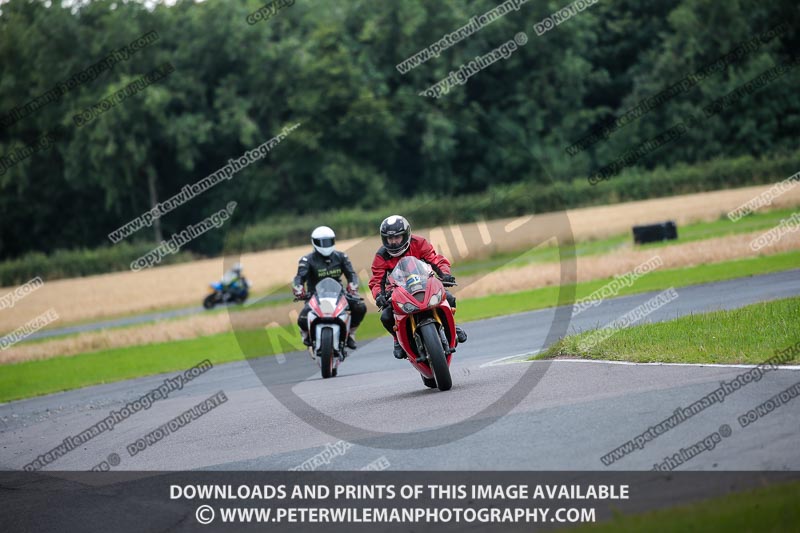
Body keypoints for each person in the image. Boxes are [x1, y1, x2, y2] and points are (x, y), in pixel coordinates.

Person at [369, 215, 467, 359]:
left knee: (449, 298)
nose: (394, 242)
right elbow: (376, 280)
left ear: (406, 235)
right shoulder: (381, 256)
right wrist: (379, 295)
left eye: (397, 237)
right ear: (384, 239)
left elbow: (435, 259)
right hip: (398, 291)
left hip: (424, 283)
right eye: (390, 239)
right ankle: (397, 340)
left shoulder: (419, 242)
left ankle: (451, 326)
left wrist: (445, 274)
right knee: (386, 316)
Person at [293, 226, 366, 350]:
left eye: (328, 241)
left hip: (338, 294)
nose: (326, 245)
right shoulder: (307, 260)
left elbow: (351, 274)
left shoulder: (342, 257)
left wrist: (353, 285)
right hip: (315, 296)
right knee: (302, 319)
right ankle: (306, 333)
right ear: (314, 242)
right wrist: (298, 288)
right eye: (322, 242)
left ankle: (350, 333)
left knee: (360, 307)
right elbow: (300, 277)